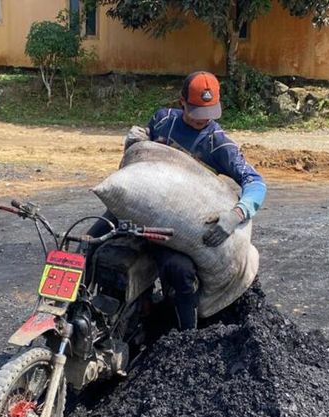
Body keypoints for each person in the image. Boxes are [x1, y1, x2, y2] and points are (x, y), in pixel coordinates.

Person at [95, 71, 267, 330]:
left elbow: (256, 183)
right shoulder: (163, 121)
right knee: (87, 245)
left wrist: (236, 215)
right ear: (182, 103)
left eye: (209, 111)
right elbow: (141, 162)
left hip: (173, 232)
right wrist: (135, 144)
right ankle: (76, 316)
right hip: (138, 212)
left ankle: (186, 339)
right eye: (197, 111)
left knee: (180, 271)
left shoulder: (217, 144)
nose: (204, 119)